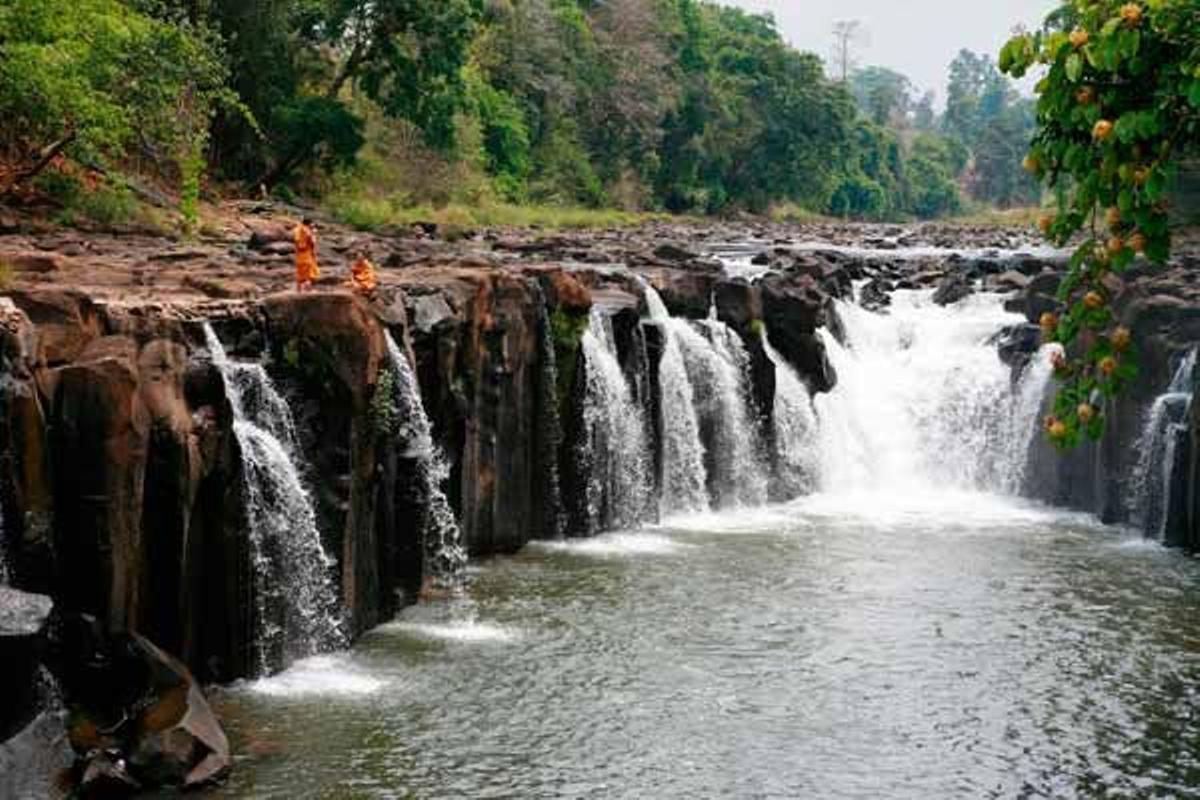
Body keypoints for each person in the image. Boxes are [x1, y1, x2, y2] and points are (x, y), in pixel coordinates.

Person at [293, 217, 319, 292]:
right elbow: (313, 242)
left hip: (299, 254)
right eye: (312, 223)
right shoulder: (307, 231)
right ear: (309, 223)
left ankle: (299, 290)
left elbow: (296, 240)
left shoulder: (297, 229)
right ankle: (307, 291)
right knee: (309, 274)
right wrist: (313, 234)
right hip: (307, 254)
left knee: (300, 273)